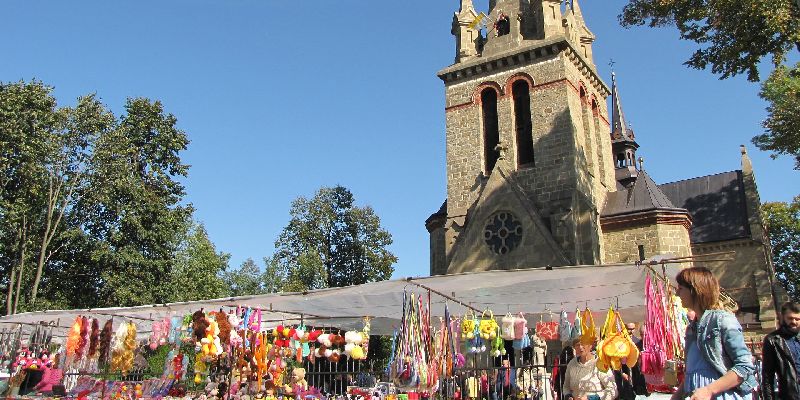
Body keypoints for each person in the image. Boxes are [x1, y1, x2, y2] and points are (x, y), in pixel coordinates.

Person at [671, 267, 757, 400]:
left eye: (681, 288)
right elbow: (692, 372)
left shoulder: (722, 320)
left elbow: (745, 366)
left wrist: (709, 390)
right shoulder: (691, 330)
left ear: (695, 290)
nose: (677, 294)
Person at [760, 301, 800, 400]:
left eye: (797, 319)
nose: (794, 322)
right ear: (782, 317)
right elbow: (767, 377)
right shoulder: (773, 340)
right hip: (791, 396)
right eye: (790, 318)